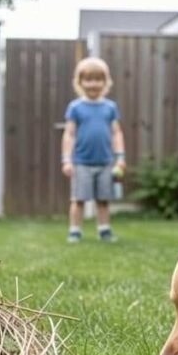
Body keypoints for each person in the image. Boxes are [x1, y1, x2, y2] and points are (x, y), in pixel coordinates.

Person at [61, 57, 126, 243]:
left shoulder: (110, 108)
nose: (93, 84)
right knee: (78, 199)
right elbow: (69, 134)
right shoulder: (75, 108)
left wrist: (120, 157)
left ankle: (104, 230)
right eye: (88, 79)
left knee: (103, 199)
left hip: (106, 162)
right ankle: (74, 230)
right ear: (79, 82)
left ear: (106, 82)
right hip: (81, 162)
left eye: (98, 79)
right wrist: (66, 160)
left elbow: (116, 133)